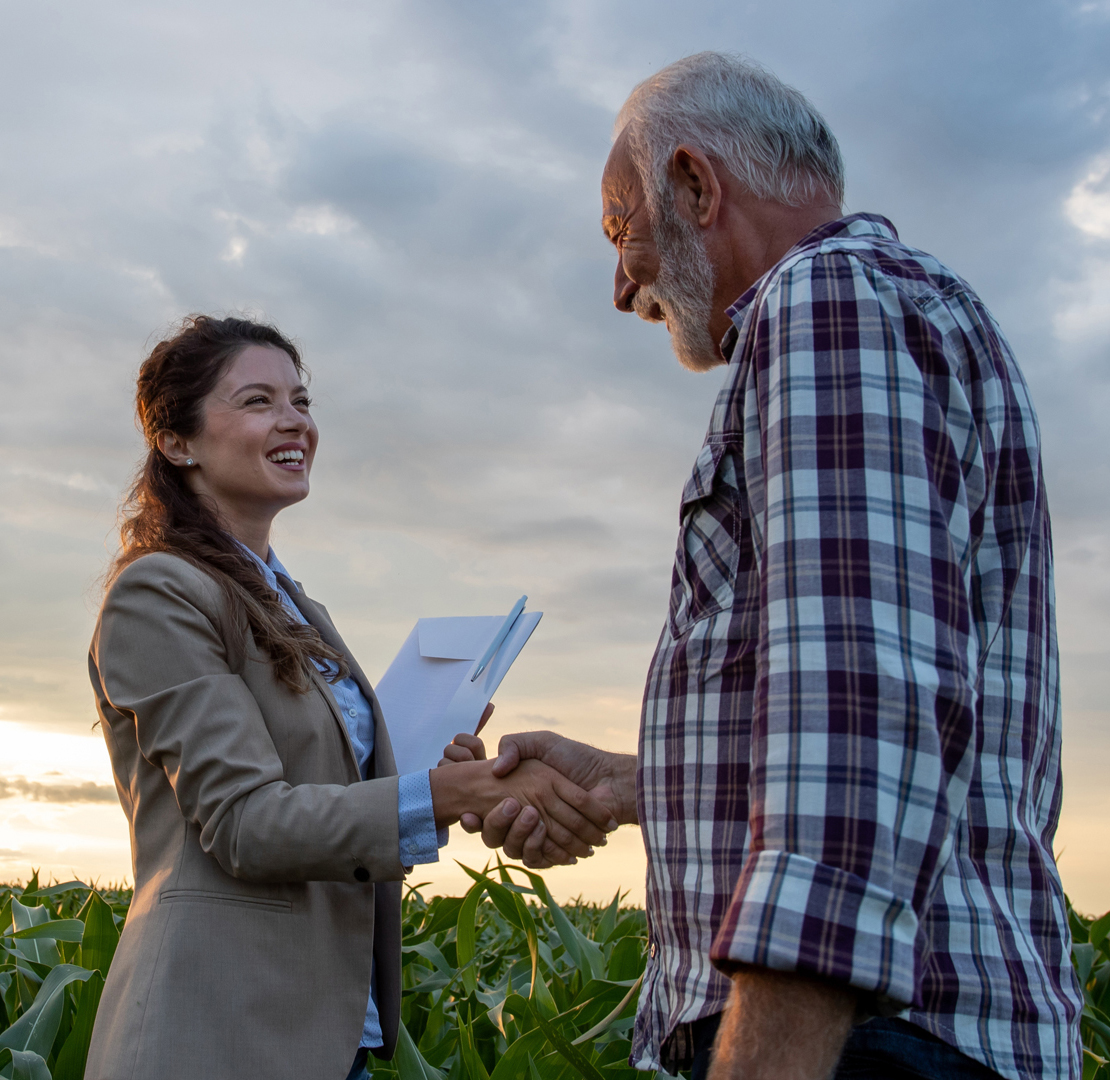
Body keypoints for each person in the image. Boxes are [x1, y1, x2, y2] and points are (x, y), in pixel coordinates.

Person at [447, 53, 1083, 1080]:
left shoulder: (826, 302)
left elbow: (859, 717)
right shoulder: (913, 308)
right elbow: (916, 723)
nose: (622, 286)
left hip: (863, 1045)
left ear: (698, 188)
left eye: (622, 231)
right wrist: (626, 784)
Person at [85, 315, 616, 1080]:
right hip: (216, 1033)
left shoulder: (299, 607)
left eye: (301, 401)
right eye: (259, 401)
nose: (295, 420)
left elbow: (332, 801)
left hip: (333, 1036)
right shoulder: (158, 592)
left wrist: (434, 763)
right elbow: (244, 823)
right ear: (178, 442)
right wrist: (434, 794)